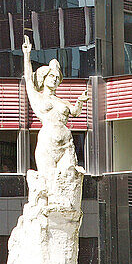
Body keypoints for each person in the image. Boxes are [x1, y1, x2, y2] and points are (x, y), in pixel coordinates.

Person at [22, 35, 89, 182]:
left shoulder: (62, 101)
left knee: (69, 179)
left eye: (57, 77)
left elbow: (75, 112)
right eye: (52, 76)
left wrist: (80, 101)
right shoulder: (38, 97)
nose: (55, 79)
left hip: (66, 143)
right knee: (49, 181)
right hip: (48, 143)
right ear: (44, 78)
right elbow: (28, 79)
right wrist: (27, 55)